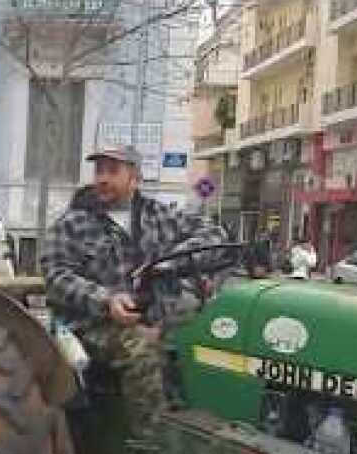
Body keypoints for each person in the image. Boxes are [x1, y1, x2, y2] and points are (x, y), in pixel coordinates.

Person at [41, 145, 229, 438]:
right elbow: (57, 276)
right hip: (92, 326)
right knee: (140, 349)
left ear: (135, 178)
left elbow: (214, 235)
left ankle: (213, 428)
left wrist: (170, 263)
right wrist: (107, 301)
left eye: (112, 170)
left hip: (158, 319)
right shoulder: (72, 224)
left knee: (211, 339)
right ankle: (152, 447)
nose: (102, 178)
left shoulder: (160, 215)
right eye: (99, 170)